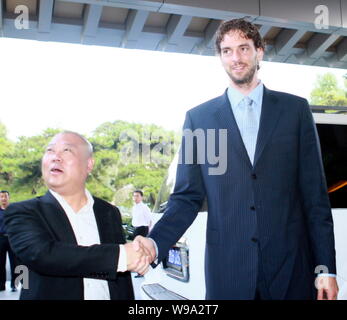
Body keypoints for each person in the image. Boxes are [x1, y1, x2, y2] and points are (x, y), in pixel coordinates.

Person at [134, 18, 338, 300]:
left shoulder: (295, 111)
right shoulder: (200, 120)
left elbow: (315, 197)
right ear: (220, 57)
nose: (236, 58)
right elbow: (186, 197)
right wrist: (155, 243)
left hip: (291, 269)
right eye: (227, 51)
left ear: (259, 52)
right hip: (228, 273)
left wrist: (326, 269)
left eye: (244, 48)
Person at [4, 131, 150, 300]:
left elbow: (121, 281)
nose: (55, 157)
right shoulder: (23, 212)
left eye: (67, 151)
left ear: (89, 165)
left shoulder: (109, 212)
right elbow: (43, 255)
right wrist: (122, 255)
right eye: (50, 151)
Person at [131, 190, 152, 278]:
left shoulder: (145, 207)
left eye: (137, 196)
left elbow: (149, 221)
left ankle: (143, 271)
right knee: (136, 250)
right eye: (134, 196)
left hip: (143, 229)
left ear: (141, 197)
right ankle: (139, 269)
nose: (135, 198)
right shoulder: (134, 207)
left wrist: (148, 232)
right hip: (136, 230)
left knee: (142, 251)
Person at [0, 190, 17, 292]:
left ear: (8, 197)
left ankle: (14, 285)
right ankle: (1, 285)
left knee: (14, 262)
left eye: (5, 196)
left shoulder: (14, 210)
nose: (3, 198)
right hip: (1, 238)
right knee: (0, 263)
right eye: (1, 197)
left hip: (12, 238)